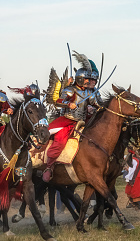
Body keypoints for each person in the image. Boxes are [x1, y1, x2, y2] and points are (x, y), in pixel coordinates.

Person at [43, 53, 101, 182]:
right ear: (80, 79)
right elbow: (58, 101)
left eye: (89, 79)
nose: (88, 81)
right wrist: (69, 104)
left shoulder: (89, 93)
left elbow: (97, 104)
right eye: (86, 79)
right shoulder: (70, 90)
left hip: (83, 121)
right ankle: (49, 166)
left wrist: (99, 108)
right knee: (60, 141)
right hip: (68, 120)